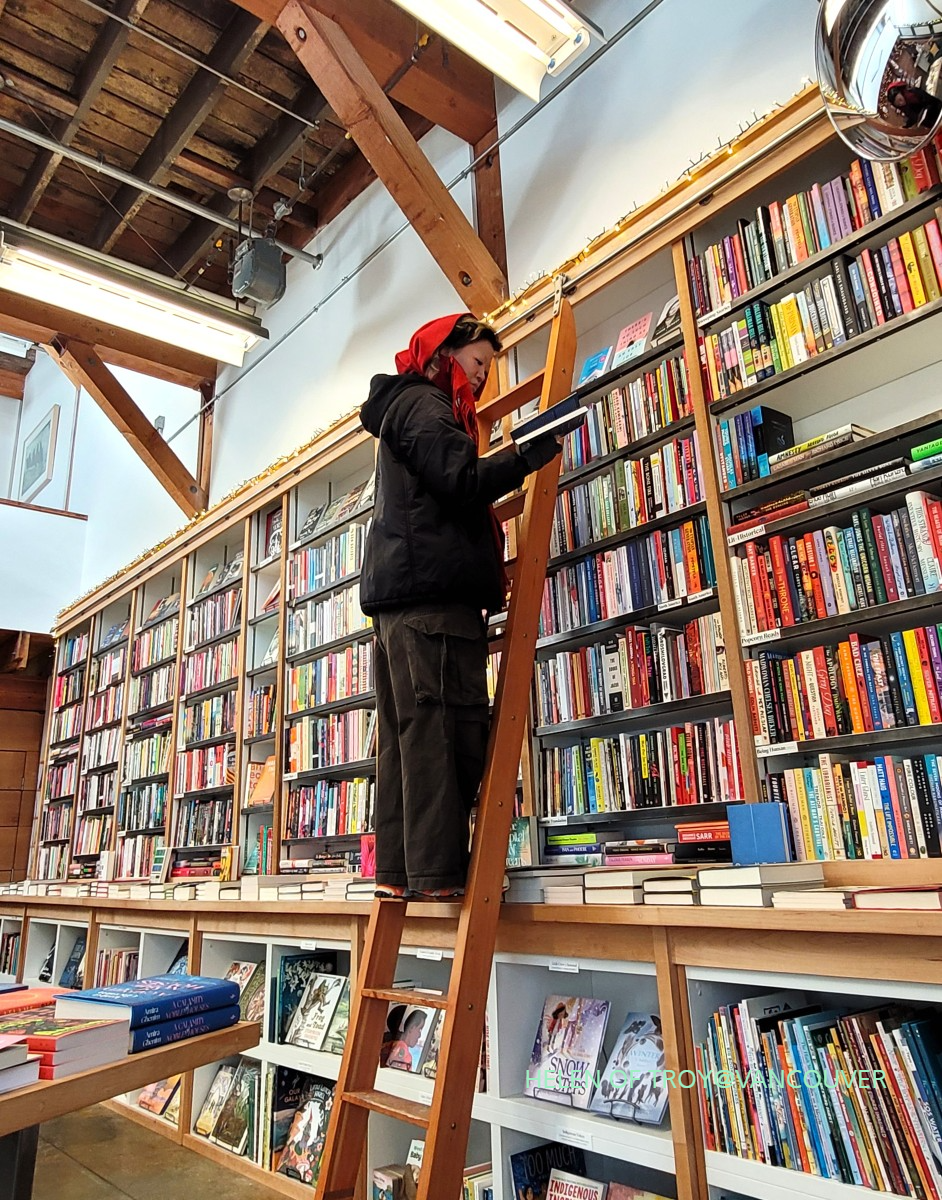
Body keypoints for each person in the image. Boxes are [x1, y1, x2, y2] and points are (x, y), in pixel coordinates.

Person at [359, 313, 561, 900]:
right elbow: (460, 478)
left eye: (488, 369)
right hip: (433, 602)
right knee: (445, 733)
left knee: (407, 741)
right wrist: (527, 455)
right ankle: (438, 875)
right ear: (444, 352)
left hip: (407, 602)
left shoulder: (404, 407)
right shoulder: (426, 403)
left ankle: (400, 873)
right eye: (477, 363)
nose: (480, 378)